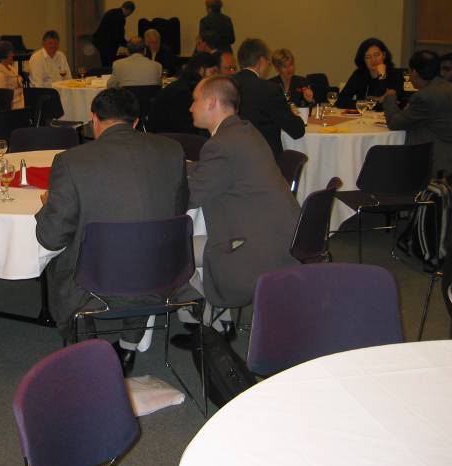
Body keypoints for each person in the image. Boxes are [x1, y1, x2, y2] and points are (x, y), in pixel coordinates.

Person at [35, 88, 188, 375]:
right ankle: (128, 346)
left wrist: (47, 207)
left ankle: (85, 345)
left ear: (94, 119)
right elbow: (178, 210)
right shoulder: (172, 150)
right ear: (135, 121)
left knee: (62, 258)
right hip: (162, 274)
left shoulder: (70, 161)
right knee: (143, 243)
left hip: (97, 280)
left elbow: (51, 237)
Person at [186, 74, 300, 313]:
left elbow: (190, 197)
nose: (191, 107)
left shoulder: (221, 145)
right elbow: (216, 172)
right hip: (282, 238)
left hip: (257, 250)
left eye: (195, 100)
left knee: (171, 251)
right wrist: (185, 167)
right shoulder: (245, 131)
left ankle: (197, 317)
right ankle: (216, 320)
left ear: (211, 102)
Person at [382, 50, 452, 176]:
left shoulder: (425, 96)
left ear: (414, 72)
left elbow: (394, 123)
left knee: (386, 164)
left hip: (437, 163)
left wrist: (390, 98)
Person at [234, 38, 305, 158]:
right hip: (264, 159)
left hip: (233, 155)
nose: (268, 65)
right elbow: (296, 130)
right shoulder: (269, 89)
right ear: (261, 60)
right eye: (268, 61)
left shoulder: (226, 84)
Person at [147, 51, 219, 134]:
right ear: (201, 71)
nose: (215, 76)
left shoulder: (184, 86)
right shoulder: (182, 92)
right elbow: (185, 127)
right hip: (167, 136)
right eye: (213, 72)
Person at [336, 37, 404, 108]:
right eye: (368, 57)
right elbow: (340, 101)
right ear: (363, 60)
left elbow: (387, 106)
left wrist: (382, 76)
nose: (373, 60)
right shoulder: (359, 74)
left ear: (384, 55)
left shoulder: (395, 74)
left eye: (376, 55)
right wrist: (371, 102)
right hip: (363, 114)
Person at [93, 1, 135, 67]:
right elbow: (118, 35)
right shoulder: (120, 17)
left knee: (105, 64)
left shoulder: (112, 12)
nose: (129, 15)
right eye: (130, 13)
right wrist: (128, 45)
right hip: (109, 45)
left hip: (101, 42)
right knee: (110, 65)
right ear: (129, 10)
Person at [0, 41, 24, 109]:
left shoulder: (10, 68)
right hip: (13, 106)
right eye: (10, 53)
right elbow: (2, 98)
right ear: (3, 56)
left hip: (20, 100)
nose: (13, 55)